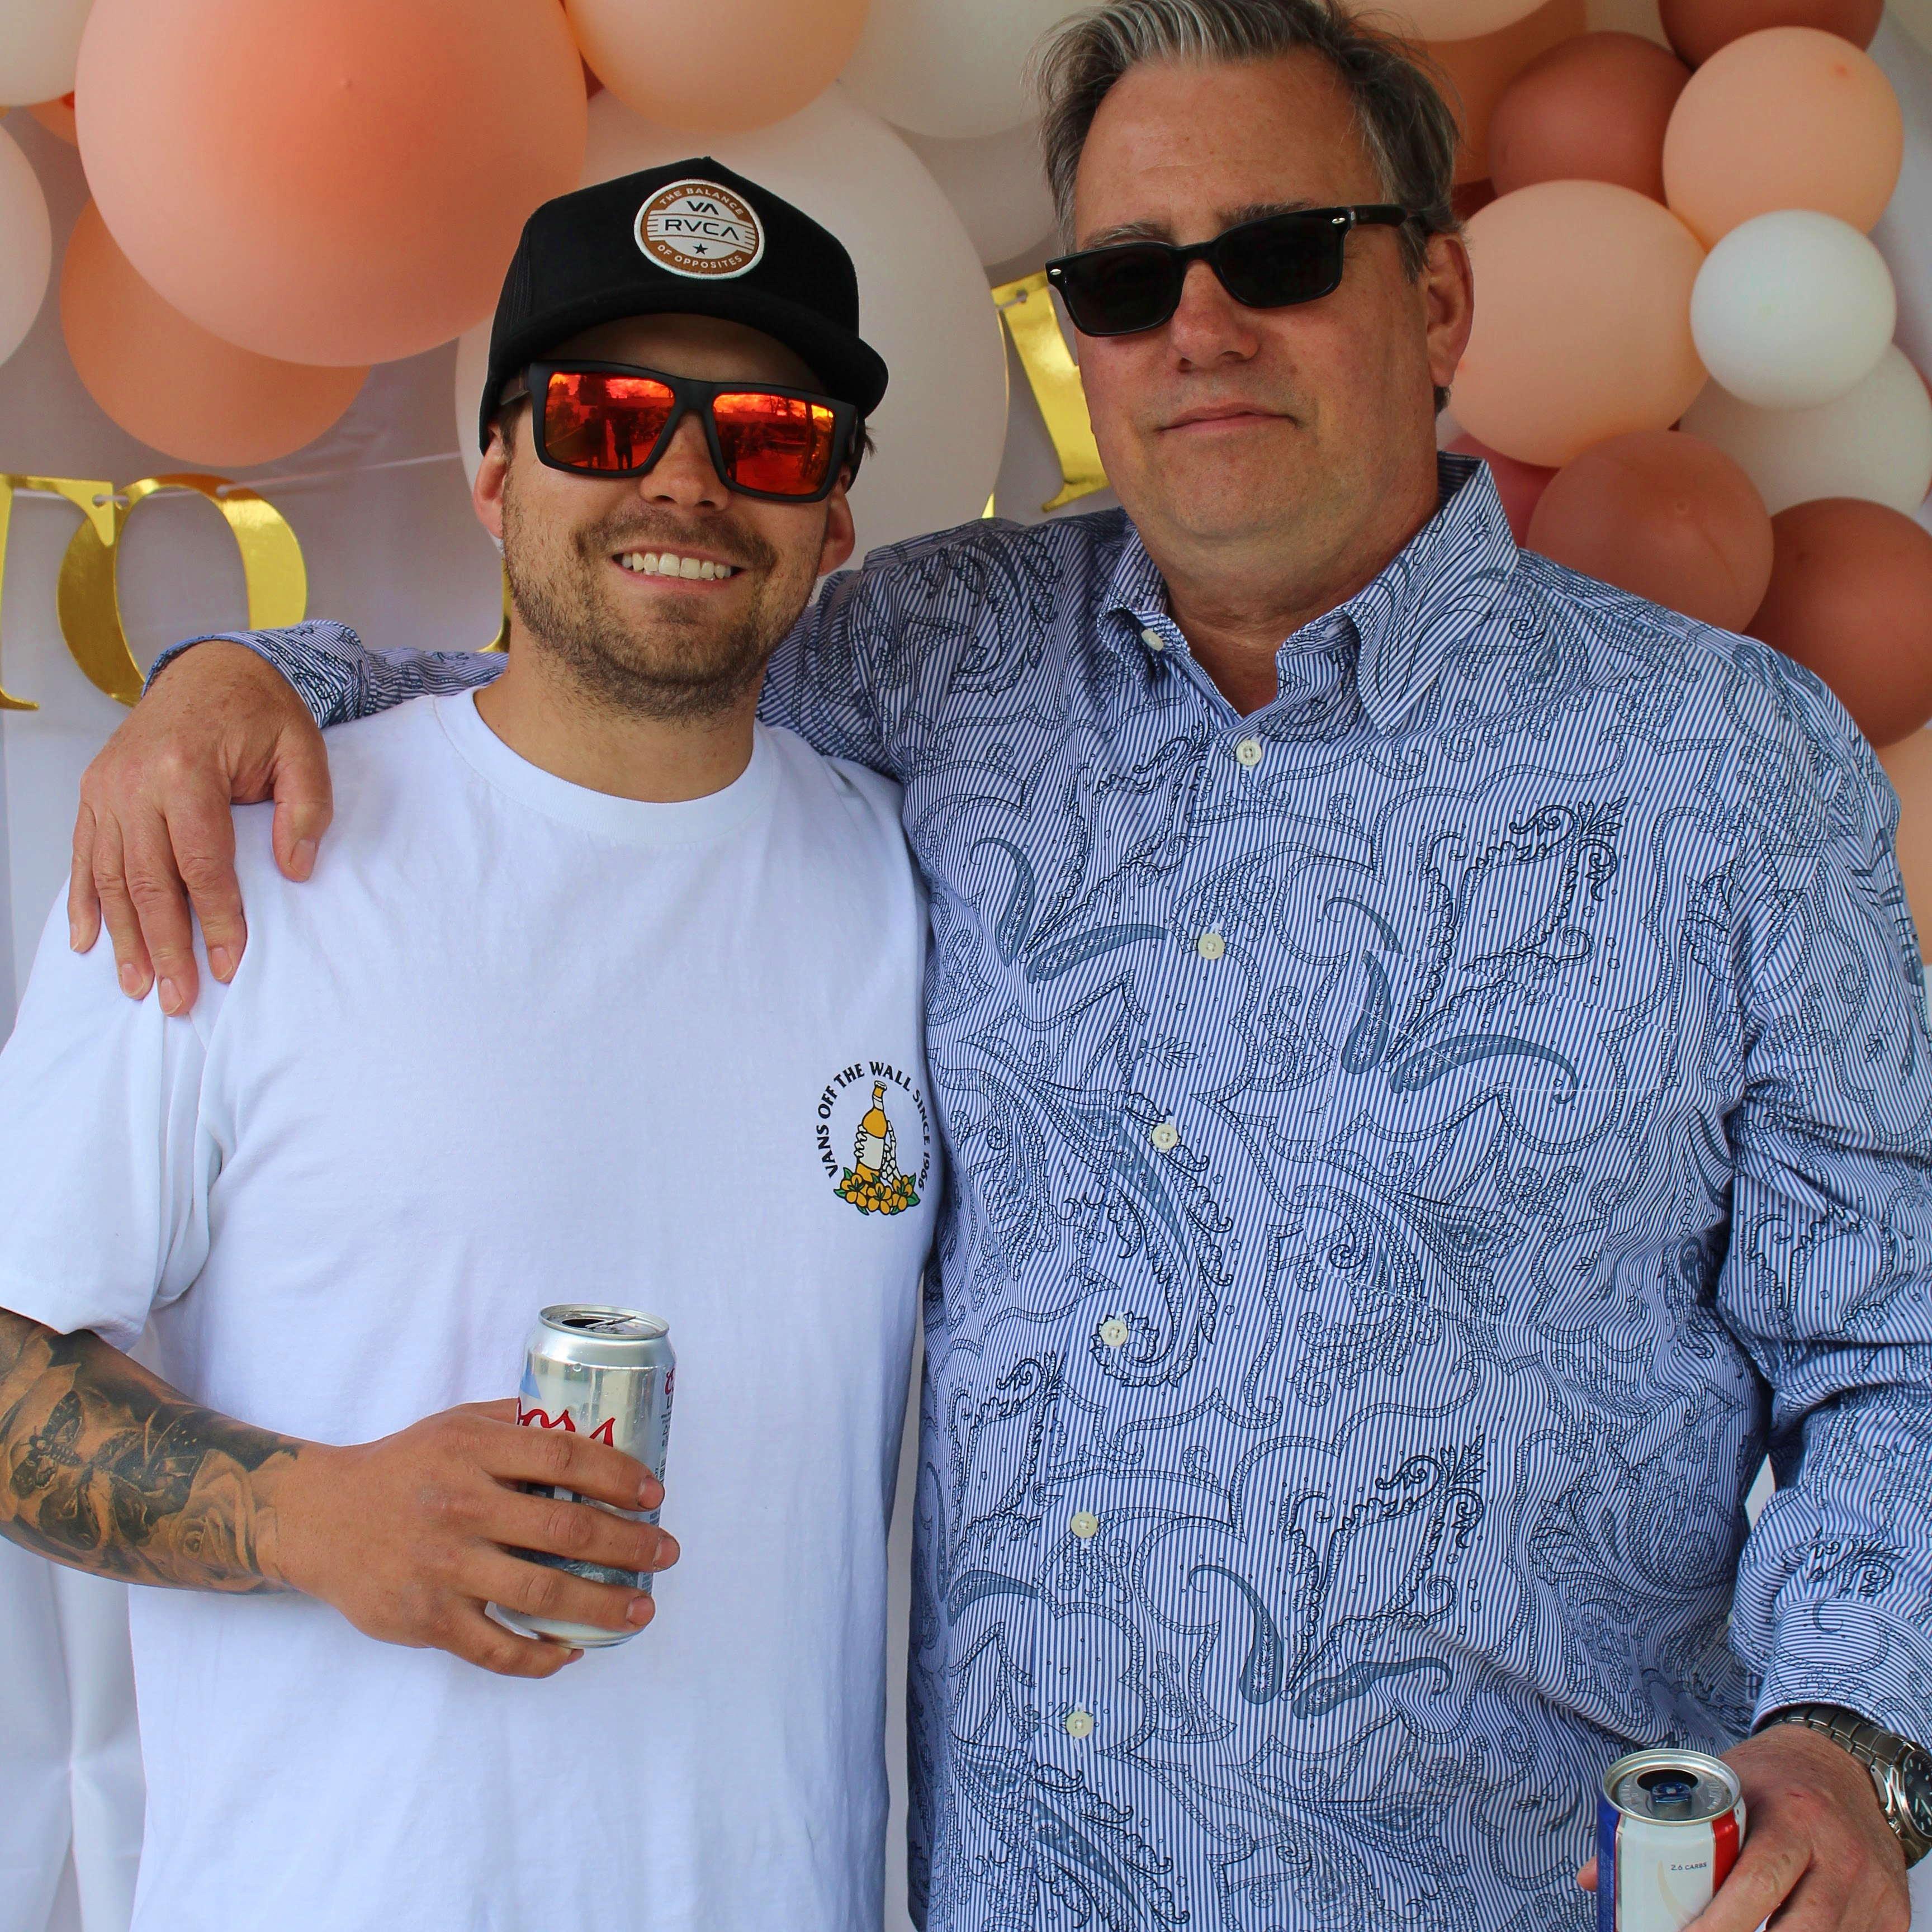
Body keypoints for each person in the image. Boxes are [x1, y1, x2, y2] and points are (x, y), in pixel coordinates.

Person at [58, 2, 1932, 1926]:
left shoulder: (1725, 768)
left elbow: (1898, 1341)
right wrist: (252, 675)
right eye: (1124, 281)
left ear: (1438, 301)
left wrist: (1852, 1745)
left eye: (1281, 256)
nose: (1199, 329)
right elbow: (607, 661)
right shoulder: (952, 654)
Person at [0, 160, 938, 1931]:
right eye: (607, 418)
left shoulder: (913, 887)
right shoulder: (231, 856)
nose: (685, 479)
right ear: (497, 472)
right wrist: (305, 1515)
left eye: (770, 437)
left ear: (835, 521)